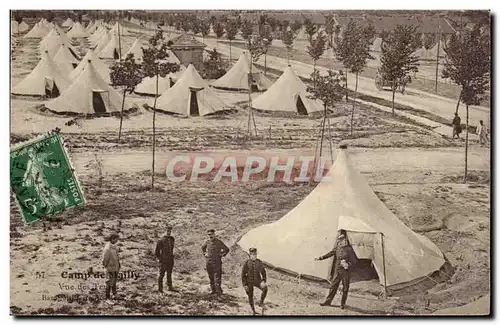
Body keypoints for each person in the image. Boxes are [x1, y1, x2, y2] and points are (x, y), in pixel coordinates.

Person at [314, 230, 357, 309]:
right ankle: (327, 302)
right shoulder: (338, 248)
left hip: (345, 272)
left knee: (345, 288)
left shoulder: (349, 250)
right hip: (337, 271)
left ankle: (342, 304)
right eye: (339, 241)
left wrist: (348, 264)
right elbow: (331, 253)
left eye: (342, 241)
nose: (340, 242)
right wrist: (320, 258)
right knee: (333, 286)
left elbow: (355, 261)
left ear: (345, 240)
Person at [201, 229, 229, 297]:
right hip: (209, 262)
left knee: (217, 278)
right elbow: (203, 247)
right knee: (211, 277)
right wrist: (205, 254)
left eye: (211, 234)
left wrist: (221, 254)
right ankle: (213, 291)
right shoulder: (207, 242)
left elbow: (226, 249)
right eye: (209, 235)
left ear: (214, 234)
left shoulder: (219, 242)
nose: (210, 236)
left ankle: (219, 292)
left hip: (217, 263)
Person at [241, 248, 268, 315]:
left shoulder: (259, 262)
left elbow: (263, 272)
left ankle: (261, 302)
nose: (254, 256)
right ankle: (253, 310)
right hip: (249, 281)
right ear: (250, 255)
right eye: (252, 254)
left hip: (257, 280)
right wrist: (245, 285)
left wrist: (263, 281)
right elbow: (243, 274)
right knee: (250, 295)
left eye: (255, 254)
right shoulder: (247, 263)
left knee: (265, 289)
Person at [155, 225, 175, 293]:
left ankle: (170, 287)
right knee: (161, 275)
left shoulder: (172, 239)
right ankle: (160, 289)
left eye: (169, 231)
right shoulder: (161, 240)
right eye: (167, 230)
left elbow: (171, 249)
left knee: (169, 274)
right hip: (163, 260)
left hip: (170, 260)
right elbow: (157, 252)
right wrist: (160, 259)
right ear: (164, 231)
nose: (168, 232)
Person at [102, 233, 120, 304]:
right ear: (112, 239)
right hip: (109, 268)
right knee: (109, 282)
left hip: (115, 267)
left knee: (114, 282)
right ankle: (107, 298)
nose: (117, 240)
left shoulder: (114, 246)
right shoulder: (107, 248)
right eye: (116, 239)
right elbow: (104, 260)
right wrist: (106, 267)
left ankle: (114, 294)